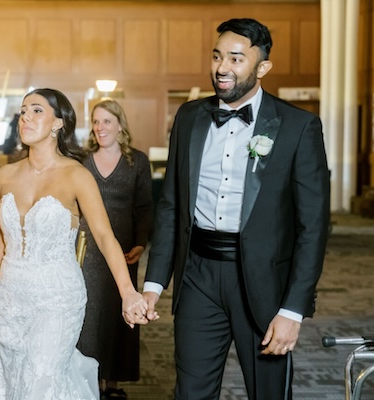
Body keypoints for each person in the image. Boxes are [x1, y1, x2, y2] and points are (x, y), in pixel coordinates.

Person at [143, 18, 330, 400]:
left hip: (264, 286)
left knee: (268, 393)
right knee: (190, 392)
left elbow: (313, 228)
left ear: (262, 68)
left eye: (236, 58)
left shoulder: (298, 127)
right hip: (198, 276)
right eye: (216, 56)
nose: (222, 67)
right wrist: (153, 284)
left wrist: (293, 310)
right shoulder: (189, 117)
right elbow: (171, 207)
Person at [0, 88, 150, 400]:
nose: (25, 116)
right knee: (8, 385)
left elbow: (105, 236)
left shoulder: (77, 176)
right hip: (10, 301)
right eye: (23, 110)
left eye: (37, 110)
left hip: (56, 301)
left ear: (58, 124)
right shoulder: (5, 176)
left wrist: (127, 293)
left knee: (40, 383)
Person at [77, 99, 153, 399]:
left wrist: (140, 242)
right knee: (90, 314)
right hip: (88, 249)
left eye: (106, 121)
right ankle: (90, 378)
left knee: (118, 311)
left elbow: (145, 207)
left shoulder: (137, 161)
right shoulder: (82, 161)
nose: (100, 127)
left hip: (122, 248)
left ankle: (113, 381)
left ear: (120, 125)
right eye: (96, 122)